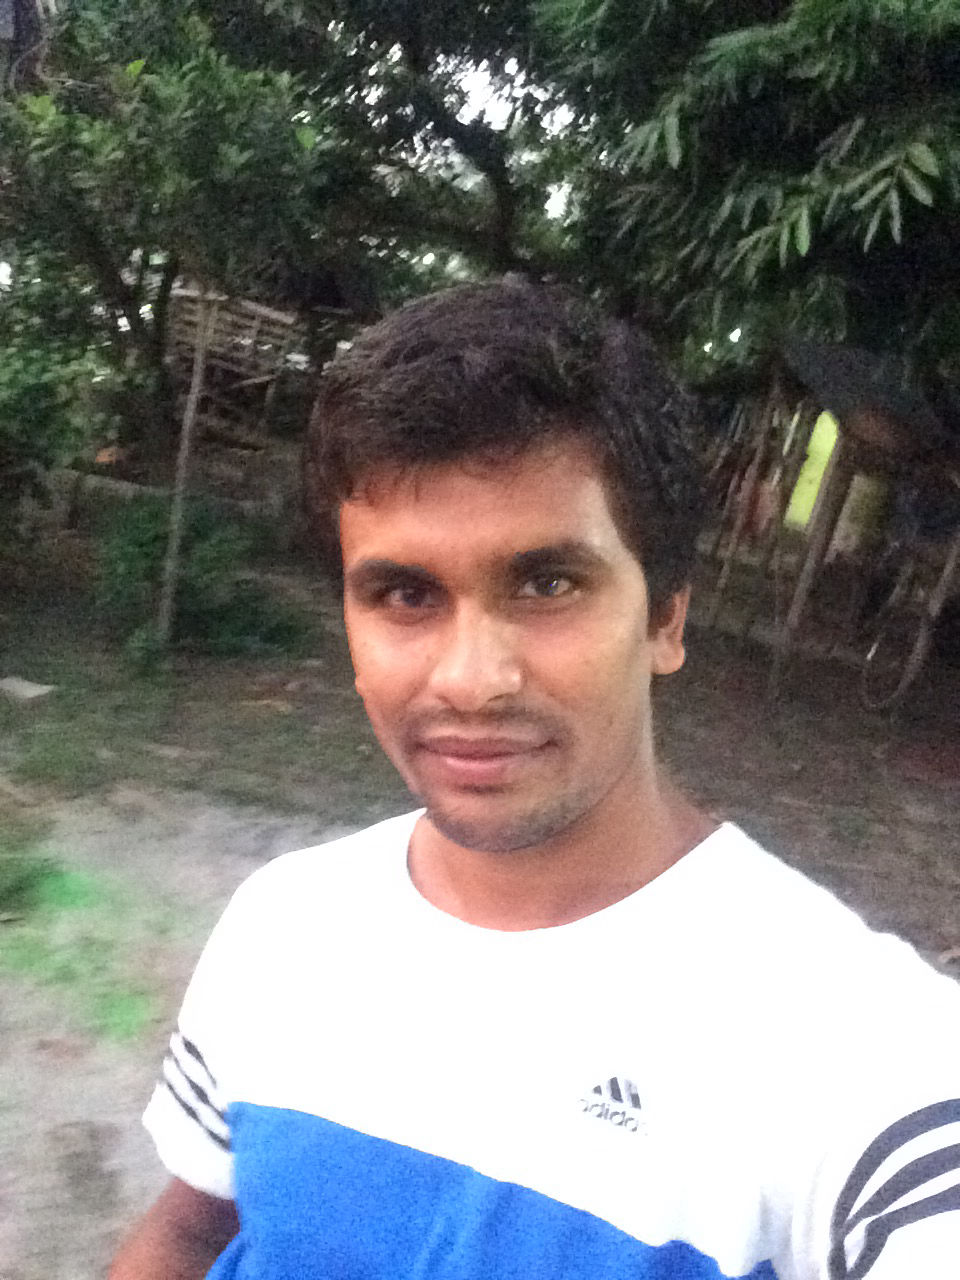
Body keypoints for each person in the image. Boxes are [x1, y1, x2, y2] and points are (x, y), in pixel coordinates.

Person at [110, 280, 960, 1280]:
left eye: (548, 583)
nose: (471, 679)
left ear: (665, 618)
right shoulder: (282, 923)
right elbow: (193, 1230)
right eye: (404, 593)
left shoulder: (858, 1046)